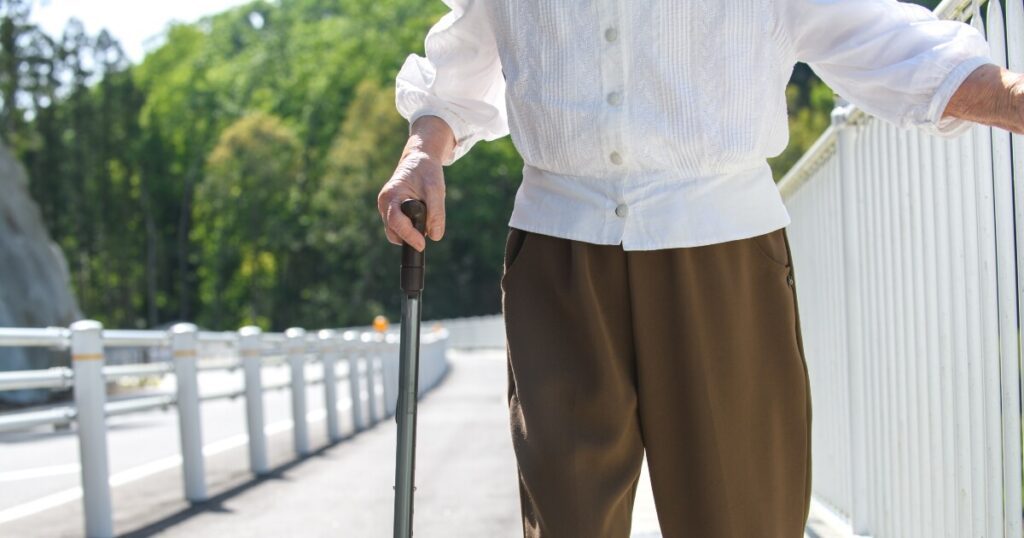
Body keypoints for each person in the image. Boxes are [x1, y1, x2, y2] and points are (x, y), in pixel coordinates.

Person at [378, 1, 1023, 536]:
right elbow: (460, 71)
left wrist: (1008, 97)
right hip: (559, 252)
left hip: (721, 251)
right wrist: (421, 151)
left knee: (739, 512)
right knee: (566, 517)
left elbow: (883, 38)